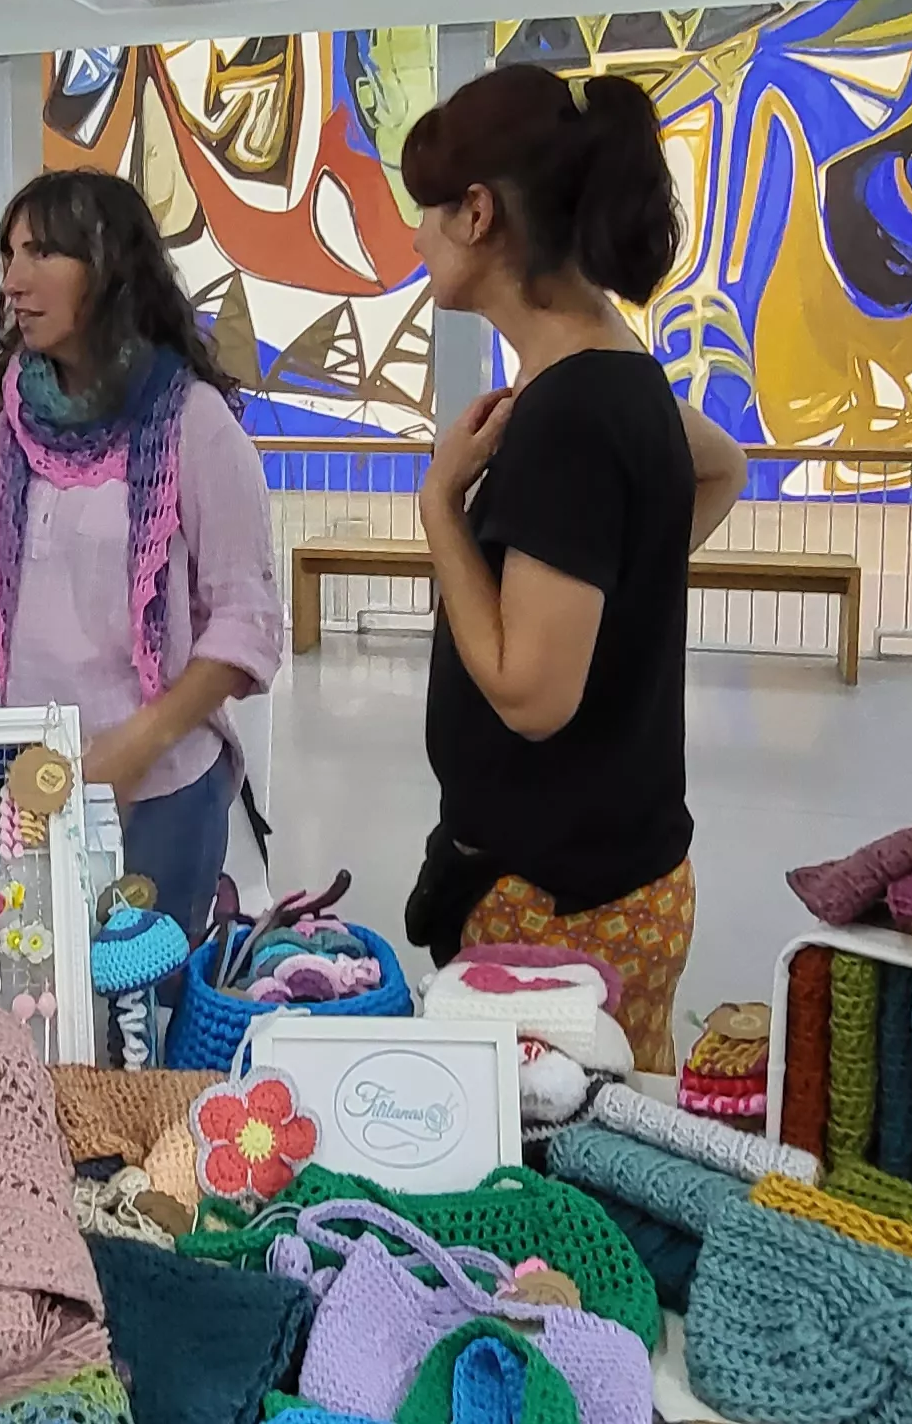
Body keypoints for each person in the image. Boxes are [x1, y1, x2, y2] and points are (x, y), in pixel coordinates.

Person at [398, 65, 745, 1072]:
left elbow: (529, 695)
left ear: (476, 214)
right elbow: (722, 466)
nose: (416, 238)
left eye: (426, 207)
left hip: (561, 901)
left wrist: (440, 513)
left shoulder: (565, 417)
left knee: (564, 1191)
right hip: (620, 874)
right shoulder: (616, 371)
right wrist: (615, 590)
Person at [0, 169, 283, 938]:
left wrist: (138, 740)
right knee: (23, 1007)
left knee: (140, 1025)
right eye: (7, 254)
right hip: (6, 784)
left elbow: (246, 620)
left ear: (111, 268)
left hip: (156, 792)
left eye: (42, 253)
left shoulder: (195, 424)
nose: (12, 281)